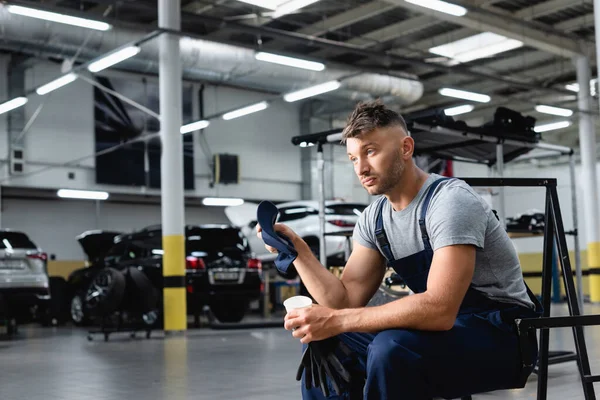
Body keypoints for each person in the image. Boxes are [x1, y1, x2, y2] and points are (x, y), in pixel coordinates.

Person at [258, 100, 540, 399]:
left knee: (391, 348)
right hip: (443, 333)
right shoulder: (374, 218)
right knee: (326, 341)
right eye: (353, 158)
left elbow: (439, 310)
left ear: (406, 148)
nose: (361, 168)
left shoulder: (450, 202)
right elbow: (343, 300)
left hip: (502, 338)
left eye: (371, 151)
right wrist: (299, 250)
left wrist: (337, 320)